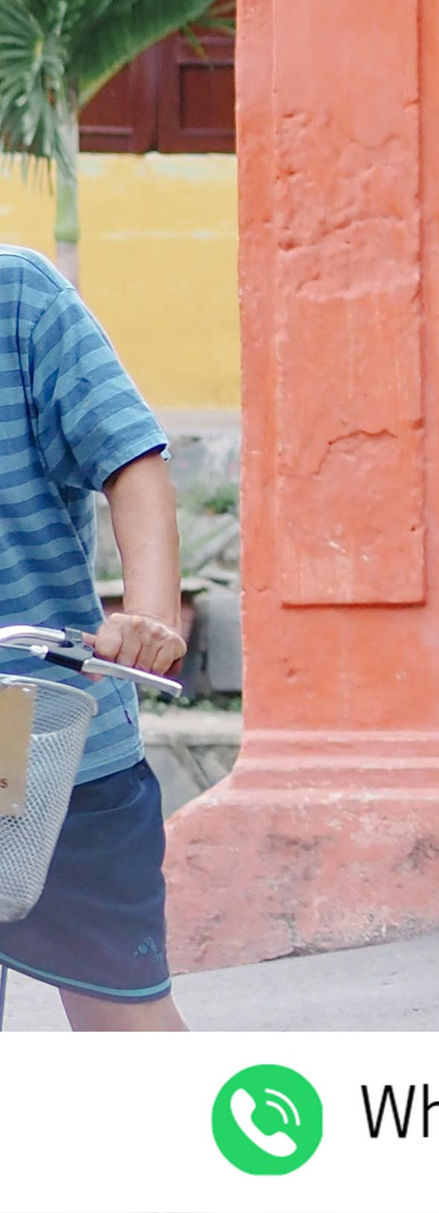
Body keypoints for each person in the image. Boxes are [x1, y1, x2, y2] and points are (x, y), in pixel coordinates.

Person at [0, 246, 189, 1030]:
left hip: (35, 722)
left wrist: (147, 617)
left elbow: (132, 464)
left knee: (127, 1026)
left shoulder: (18, 296)